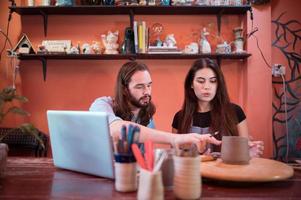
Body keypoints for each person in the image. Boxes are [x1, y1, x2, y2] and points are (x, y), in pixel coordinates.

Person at [90, 61, 221, 150]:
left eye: (149, 85)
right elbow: (118, 130)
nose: (146, 91)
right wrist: (174, 138)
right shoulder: (102, 104)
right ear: (124, 89)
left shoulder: (147, 115)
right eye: (140, 87)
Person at [172, 58, 264, 157]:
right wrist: (198, 155)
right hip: (192, 171)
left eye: (213, 81)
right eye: (201, 81)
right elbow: (175, 156)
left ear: (218, 84)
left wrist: (249, 154)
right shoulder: (180, 117)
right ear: (191, 84)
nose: (207, 86)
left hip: (228, 172)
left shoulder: (235, 112)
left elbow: (244, 153)